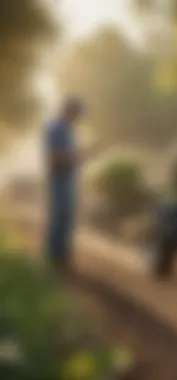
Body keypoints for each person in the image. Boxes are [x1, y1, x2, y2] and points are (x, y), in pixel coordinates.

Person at [43, 96, 84, 271]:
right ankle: (55, 258)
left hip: (66, 178)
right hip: (59, 177)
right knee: (60, 217)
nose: (77, 118)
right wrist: (77, 157)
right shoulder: (57, 128)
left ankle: (61, 256)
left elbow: (66, 154)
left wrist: (76, 156)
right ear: (69, 111)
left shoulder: (66, 129)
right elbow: (55, 157)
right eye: (76, 114)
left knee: (65, 218)